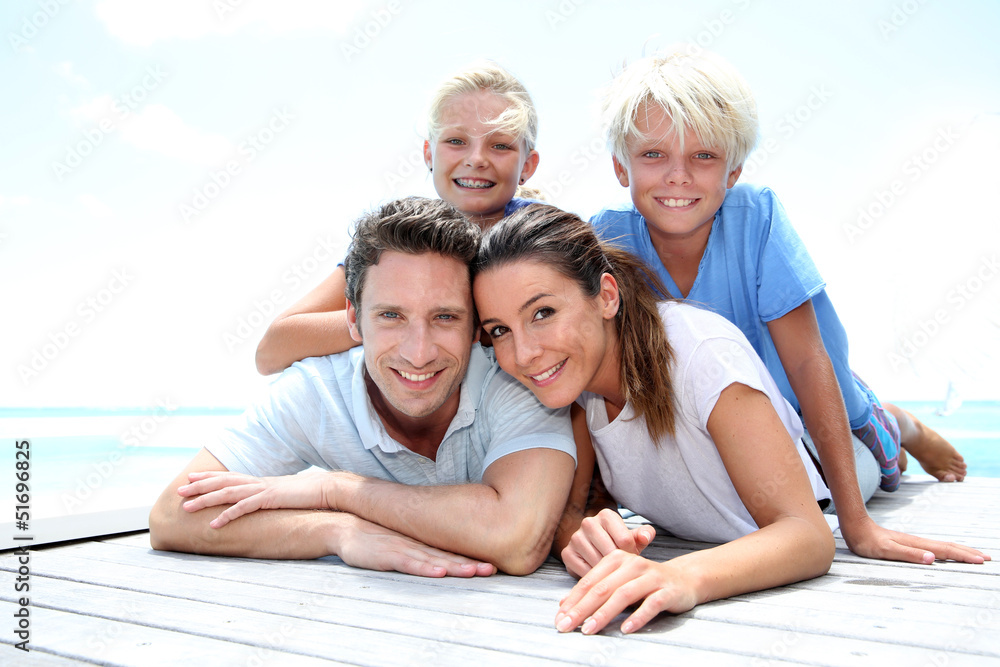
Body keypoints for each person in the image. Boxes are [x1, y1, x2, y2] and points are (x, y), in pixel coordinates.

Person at [590, 48, 982, 564]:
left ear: (732, 170)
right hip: (731, 425)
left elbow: (805, 363)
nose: (678, 176)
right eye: (653, 155)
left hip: (814, 399)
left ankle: (897, 422)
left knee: (880, 469)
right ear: (622, 166)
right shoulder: (608, 239)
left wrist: (857, 526)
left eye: (703, 156)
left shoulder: (757, 218)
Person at [149, 197, 577, 577]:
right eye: (391, 316)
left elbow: (518, 541)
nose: (419, 352)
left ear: (475, 328)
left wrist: (338, 490)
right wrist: (335, 530)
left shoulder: (515, 380)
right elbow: (172, 516)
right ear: (352, 320)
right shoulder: (316, 391)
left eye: (445, 317)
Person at [472, 204, 837, 635]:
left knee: (877, 454)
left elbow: (809, 535)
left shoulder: (704, 355)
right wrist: (583, 537)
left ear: (607, 296)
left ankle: (893, 425)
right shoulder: (574, 390)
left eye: (543, 313)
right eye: (499, 331)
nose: (523, 354)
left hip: (818, 473)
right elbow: (574, 510)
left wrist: (681, 575)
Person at [254, 61, 542, 375]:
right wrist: (387, 319)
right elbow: (271, 351)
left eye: (500, 145)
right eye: (456, 141)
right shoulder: (400, 242)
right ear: (429, 154)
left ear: (527, 165)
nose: (476, 159)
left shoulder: (543, 240)